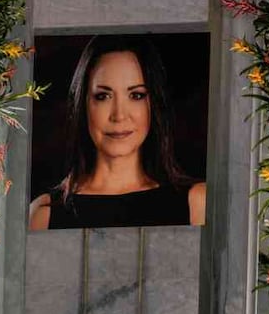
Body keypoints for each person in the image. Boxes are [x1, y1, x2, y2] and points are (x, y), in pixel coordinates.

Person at [29, 35, 206, 230]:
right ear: (83, 105)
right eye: (103, 96)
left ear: (153, 104)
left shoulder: (195, 203)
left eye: (136, 95)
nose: (119, 115)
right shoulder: (43, 215)